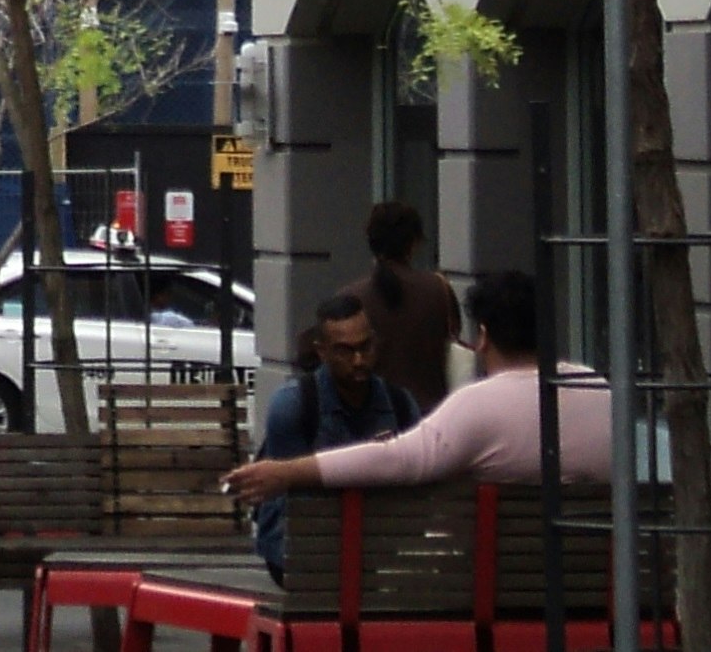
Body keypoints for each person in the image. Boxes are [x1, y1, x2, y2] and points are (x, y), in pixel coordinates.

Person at [223, 273, 607, 502]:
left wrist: (287, 474)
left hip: (499, 589)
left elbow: (398, 459)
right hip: (601, 584)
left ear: (484, 336)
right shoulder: (597, 390)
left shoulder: (479, 406)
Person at [247, 292, 414, 577]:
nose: (359, 360)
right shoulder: (294, 405)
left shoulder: (399, 404)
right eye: (345, 351)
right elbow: (291, 503)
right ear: (322, 351)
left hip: (376, 550)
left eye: (365, 346)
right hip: (303, 554)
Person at [356, 202, 465, 418]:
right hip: (433, 417)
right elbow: (453, 337)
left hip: (372, 422)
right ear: (414, 243)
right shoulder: (439, 289)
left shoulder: (352, 297)